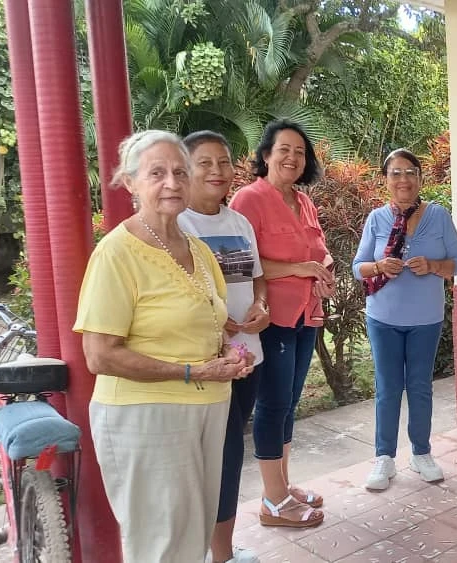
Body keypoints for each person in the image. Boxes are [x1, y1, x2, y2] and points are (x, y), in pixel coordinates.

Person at [75, 130, 254, 562]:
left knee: (192, 536)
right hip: (146, 416)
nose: (172, 183)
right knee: (161, 542)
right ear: (130, 182)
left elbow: (211, 324)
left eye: (179, 171)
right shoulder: (117, 253)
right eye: (156, 173)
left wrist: (226, 354)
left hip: (207, 409)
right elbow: (99, 355)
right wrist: (192, 371)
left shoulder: (195, 247)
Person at [229, 119, 331, 528]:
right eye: (283, 149)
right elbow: (243, 265)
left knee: (289, 402)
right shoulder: (248, 200)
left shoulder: (304, 202)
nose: (292, 158)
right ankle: (272, 501)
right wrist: (302, 266)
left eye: (300, 152)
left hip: (305, 315)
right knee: (272, 404)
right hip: (269, 319)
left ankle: (285, 486)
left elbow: (319, 251)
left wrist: (325, 271)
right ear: (266, 154)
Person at [352, 148, 457, 490]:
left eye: (410, 172)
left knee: (419, 387)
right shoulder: (376, 219)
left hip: (425, 319)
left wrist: (432, 266)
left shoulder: (439, 216)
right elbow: (357, 267)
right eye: (396, 173)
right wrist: (378, 266)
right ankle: (384, 458)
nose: (403, 179)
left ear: (420, 178)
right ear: (386, 180)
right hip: (382, 318)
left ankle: (421, 453)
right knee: (387, 388)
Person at [178, 131, 268, 563]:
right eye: (205, 162)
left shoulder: (239, 221)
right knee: (220, 454)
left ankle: (223, 552)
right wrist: (216, 324)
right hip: (206, 363)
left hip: (248, 355)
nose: (217, 171)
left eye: (224, 162)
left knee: (231, 452)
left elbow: (257, 277)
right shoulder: (177, 225)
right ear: (185, 170)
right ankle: (218, 555)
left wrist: (262, 306)